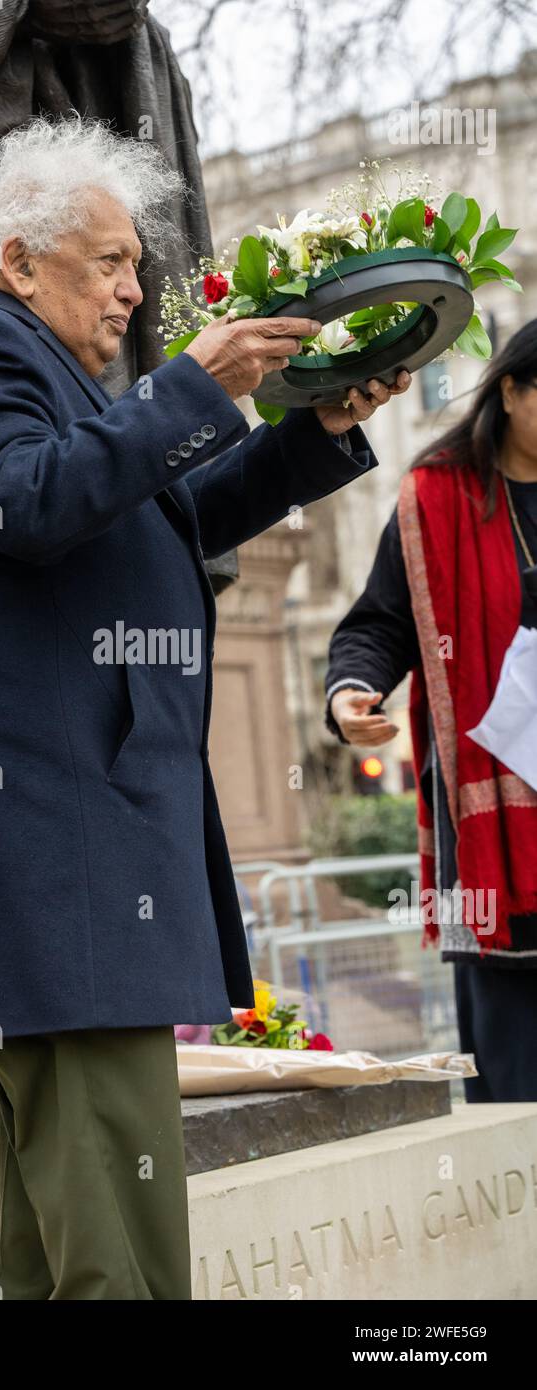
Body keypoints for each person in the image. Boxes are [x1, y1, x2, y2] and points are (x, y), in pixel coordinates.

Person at [0, 114, 410, 1300]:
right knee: (123, 1252)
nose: (134, 287)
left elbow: (169, 514)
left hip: (67, 862)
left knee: (69, 1239)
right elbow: (33, 501)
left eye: (134, 264)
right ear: (18, 259)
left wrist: (313, 427)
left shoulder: (55, 379)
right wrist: (189, 385)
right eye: (109, 261)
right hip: (50, 860)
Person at [325, 320, 537, 1104]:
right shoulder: (437, 498)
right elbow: (381, 623)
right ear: (510, 391)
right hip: (482, 830)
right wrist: (352, 691)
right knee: (512, 1081)